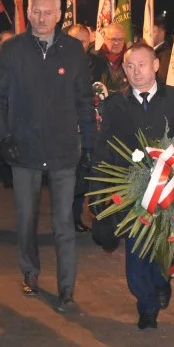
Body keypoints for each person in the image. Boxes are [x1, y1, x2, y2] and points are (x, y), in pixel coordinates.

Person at [0, 0, 95, 311]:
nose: (42, 18)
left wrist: (89, 146)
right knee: (27, 219)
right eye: (37, 11)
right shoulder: (12, 50)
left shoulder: (74, 50)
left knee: (64, 223)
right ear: (28, 13)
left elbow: (85, 102)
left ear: (60, 15)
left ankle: (66, 290)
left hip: (63, 152)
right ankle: (30, 272)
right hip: (24, 151)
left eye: (48, 12)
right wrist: (4, 137)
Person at [92, 43, 174, 329]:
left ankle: (161, 279)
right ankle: (146, 305)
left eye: (142, 65)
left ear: (156, 65)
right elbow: (104, 148)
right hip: (133, 192)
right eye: (129, 67)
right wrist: (98, 193)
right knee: (137, 250)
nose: (135, 72)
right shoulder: (116, 104)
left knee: (172, 246)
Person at [67, 24, 104, 232]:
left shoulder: (98, 63)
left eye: (84, 40)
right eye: (76, 40)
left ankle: (77, 216)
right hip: (66, 129)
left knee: (84, 176)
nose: (80, 44)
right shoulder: (58, 61)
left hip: (90, 126)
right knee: (66, 178)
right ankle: (66, 219)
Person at [96, 23, 129, 93]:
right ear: (104, 39)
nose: (117, 43)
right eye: (113, 39)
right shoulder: (94, 58)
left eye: (120, 39)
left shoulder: (131, 58)